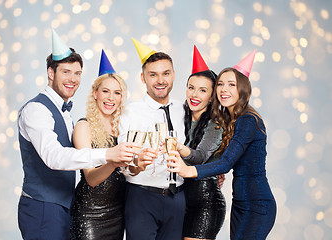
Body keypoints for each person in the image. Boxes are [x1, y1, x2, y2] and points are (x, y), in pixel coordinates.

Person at [17, 30, 137, 240]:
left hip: (65, 206)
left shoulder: (65, 112)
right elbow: (54, 158)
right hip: (43, 207)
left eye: (77, 73)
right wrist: (108, 154)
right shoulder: (36, 110)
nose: (72, 79)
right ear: (51, 73)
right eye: (66, 72)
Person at [168, 50, 277, 240]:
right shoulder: (231, 119)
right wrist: (216, 171)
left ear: (242, 89)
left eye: (231, 85)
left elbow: (226, 162)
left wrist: (189, 171)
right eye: (220, 84)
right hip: (240, 202)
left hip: (257, 204)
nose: (224, 89)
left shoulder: (247, 119)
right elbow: (229, 158)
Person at [117, 38, 186, 240]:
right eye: (153, 75)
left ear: (173, 75)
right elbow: (123, 159)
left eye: (165, 73)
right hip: (142, 197)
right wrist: (137, 161)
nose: (160, 80)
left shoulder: (185, 110)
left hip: (178, 198)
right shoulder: (129, 112)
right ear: (143, 77)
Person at [70, 50, 127, 240]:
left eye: (117, 93)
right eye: (105, 91)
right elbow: (91, 179)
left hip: (117, 214)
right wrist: (113, 161)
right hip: (90, 215)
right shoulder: (83, 127)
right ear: (95, 93)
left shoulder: (123, 129)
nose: (111, 98)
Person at [175, 46, 226, 240]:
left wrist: (177, 148)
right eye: (191, 88)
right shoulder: (178, 115)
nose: (194, 95)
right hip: (179, 200)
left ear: (212, 96)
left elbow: (200, 158)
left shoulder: (216, 124)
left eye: (202, 90)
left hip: (205, 202)